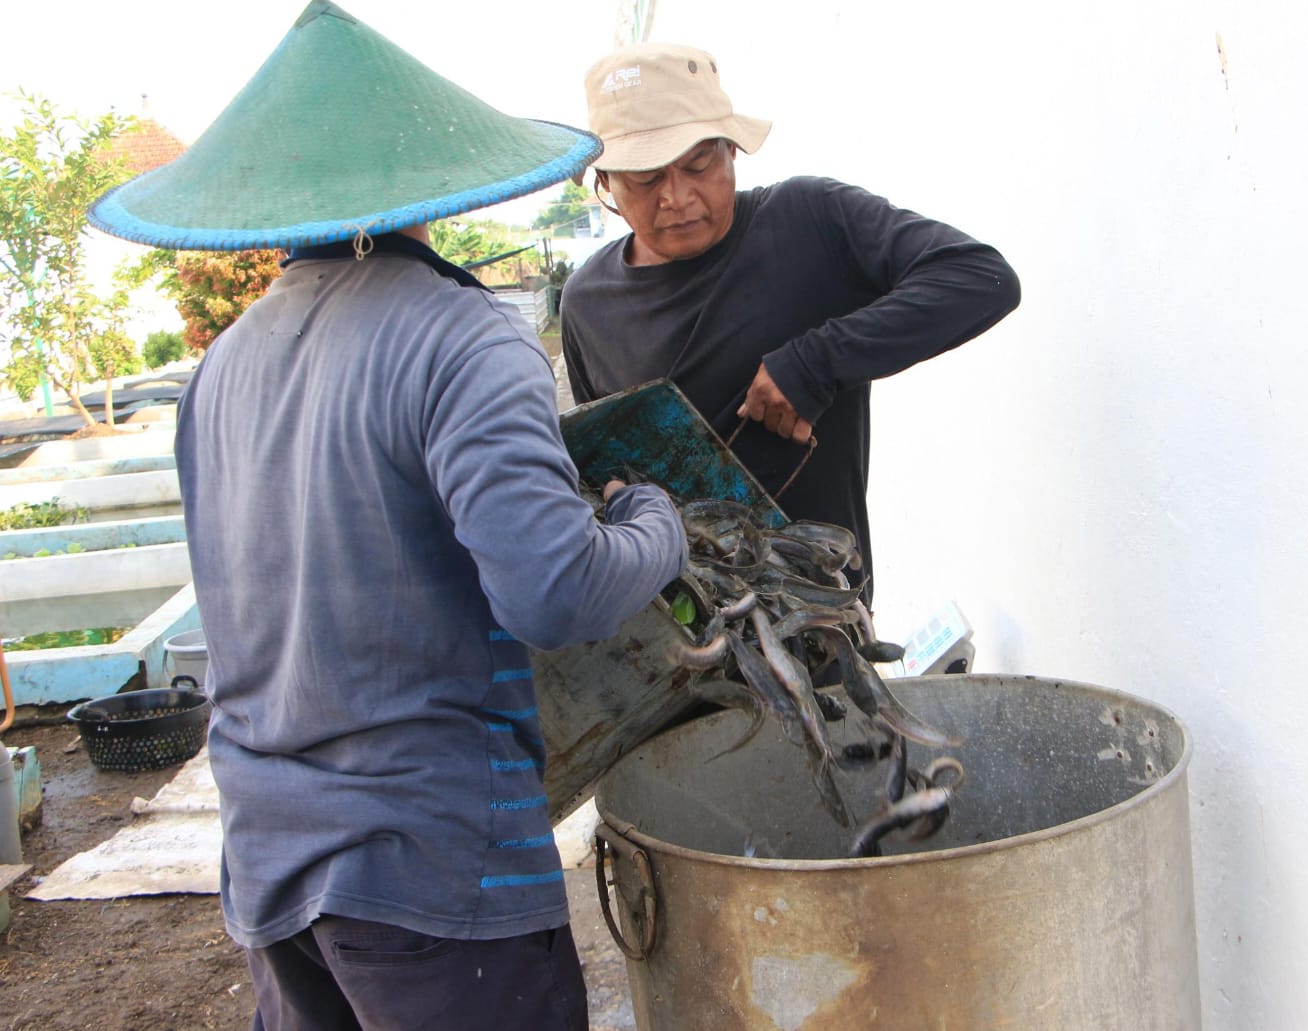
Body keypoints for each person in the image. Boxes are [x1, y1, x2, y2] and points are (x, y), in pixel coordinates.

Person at [89, 6, 685, 1030]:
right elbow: (556, 590)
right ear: (429, 184)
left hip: (269, 861)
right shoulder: (464, 338)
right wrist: (653, 522)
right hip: (435, 874)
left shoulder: (222, 366)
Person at [561, 42, 1021, 605]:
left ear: (732, 151)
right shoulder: (585, 303)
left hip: (821, 616)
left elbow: (980, 277)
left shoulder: (808, 220)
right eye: (646, 178)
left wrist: (816, 362)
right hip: (678, 625)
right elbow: (599, 474)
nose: (676, 197)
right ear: (605, 184)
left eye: (698, 164)